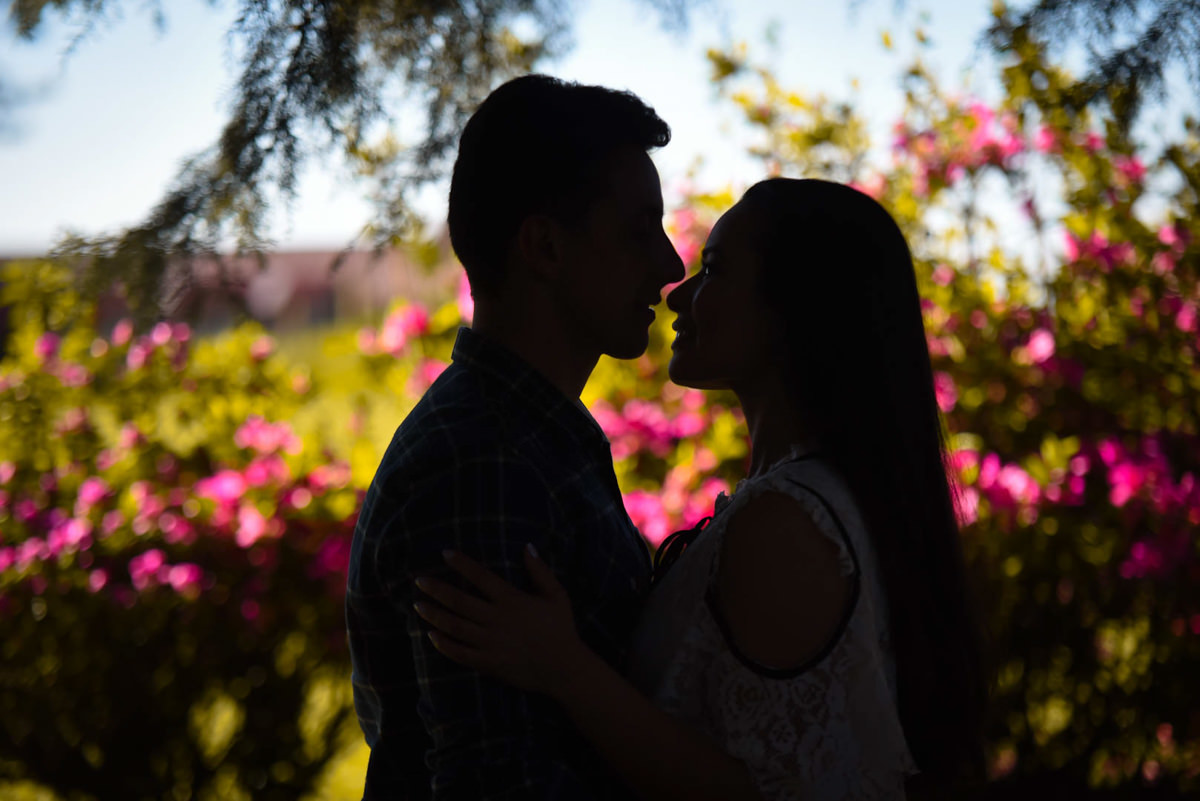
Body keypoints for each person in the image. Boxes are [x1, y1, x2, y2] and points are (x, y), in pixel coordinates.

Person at [413, 178, 988, 800]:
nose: (679, 293)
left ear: (793, 308)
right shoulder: (808, 497)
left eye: (713, 271)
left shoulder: (786, 522)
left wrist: (565, 670)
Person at [345, 74, 685, 799]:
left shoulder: (527, 433)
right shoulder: (481, 464)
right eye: (639, 231)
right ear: (545, 247)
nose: (671, 265)